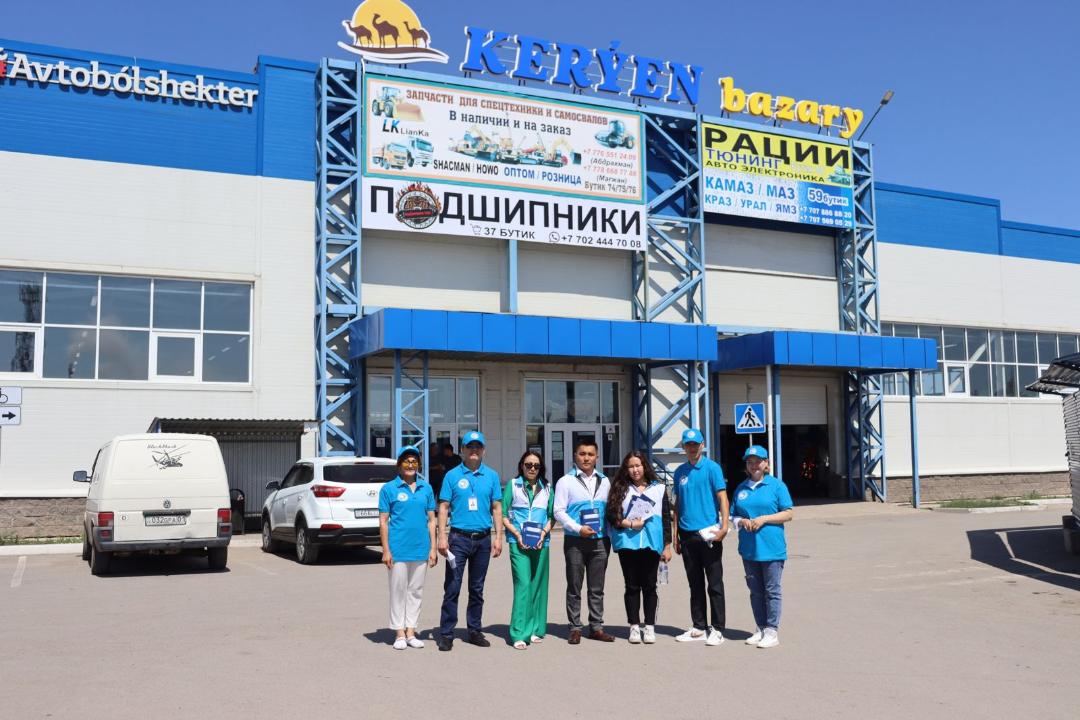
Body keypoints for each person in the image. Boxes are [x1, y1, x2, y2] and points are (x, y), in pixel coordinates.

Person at [435, 430, 503, 651]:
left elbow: (497, 507)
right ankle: (447, 633)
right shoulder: (452, 475)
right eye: (469, 447)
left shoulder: (491, 476)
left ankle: (474, 630)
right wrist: (441, 536)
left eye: (478, 447)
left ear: (483, 450)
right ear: (462, 450)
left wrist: (498, 537)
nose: (474, 450)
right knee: (452, 587)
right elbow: (443, 507)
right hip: (458, 539)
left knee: (477, 588)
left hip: (483, 540)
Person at [731, 445, 794, 649]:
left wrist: (764, 519)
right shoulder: (741, 488)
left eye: (758, 461)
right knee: (755, 591)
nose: (754, 465)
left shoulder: (776, 486)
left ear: (766, 464)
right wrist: (742, 521)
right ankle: (760, 628)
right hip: (749, 549)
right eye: (750, 462)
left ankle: (772, 631)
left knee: (771, 591)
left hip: (772, 548)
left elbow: (788, 513)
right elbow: (733, 515)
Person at [671, 427, 729, 646]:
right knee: (694, 583)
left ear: (702, 445)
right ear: (683, 447)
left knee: (714, 583)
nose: (692, 448)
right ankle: (699, 626)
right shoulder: (680, 472)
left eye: (696, 444)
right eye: (688, 445)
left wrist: (724, 527)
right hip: (687, 534)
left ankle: (717, 628)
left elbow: (722, 498)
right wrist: (675, 534)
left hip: (709, 534)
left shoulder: (712, 468)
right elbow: (677, 504)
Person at [606, 450, 672, 644]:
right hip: (628, 543)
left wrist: (667, 546)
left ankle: (649, 626)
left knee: (650, 586)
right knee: (632, 586)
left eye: (638, 465)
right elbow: (612, 515)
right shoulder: (620, 488)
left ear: (645, 466)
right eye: (631, 466)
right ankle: (634, 626)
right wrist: (629, 524)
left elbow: (666, 518)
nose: (635, 470)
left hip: (652, 543)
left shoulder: (658, 488)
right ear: (626, 469)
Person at [553, 438, 614, 644]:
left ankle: (596, 627)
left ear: (597, 457)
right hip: (575, 542)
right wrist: (578, 528)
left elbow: (610, 511)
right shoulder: (565, 481)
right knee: (574, 586)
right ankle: (575, 628)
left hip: (600, 542)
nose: (586, 458)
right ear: (575, 456)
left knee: (597, 588)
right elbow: (558, 511)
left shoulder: (605, 481)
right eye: (582, 454)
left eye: (590, 454)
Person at [377, 445, 437, 650]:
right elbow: (383, 521)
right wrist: (386, 550)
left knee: (416, 591)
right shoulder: (389, 489)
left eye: (414, 461)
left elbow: (432, 520)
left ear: (418, 465)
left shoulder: (426, 488)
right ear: (399, 464)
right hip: (398, 549)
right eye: (406, 461)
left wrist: (433, 548)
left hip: (421, 548)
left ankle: (411, 631)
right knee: (398, 591)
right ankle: (399, 633)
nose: (410, 465)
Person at [501, 450, 555, 649]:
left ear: (541, 468)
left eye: (536, 466)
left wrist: (543, 534)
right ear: (521, 466)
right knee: (523, 584)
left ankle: (534, 629)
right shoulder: (513, 485)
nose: (532, 468)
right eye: (528, 465)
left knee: (538, 585)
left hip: (541, 542)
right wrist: (517, 535)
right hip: (519, 543)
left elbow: (552, 516)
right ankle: (518, 633)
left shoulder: (547, 487)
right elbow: (503, 514)